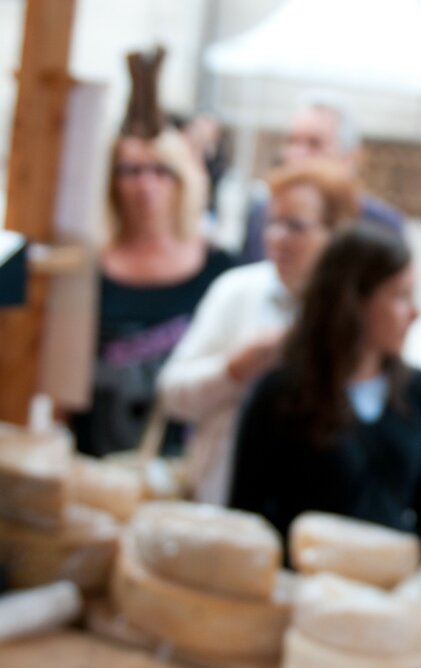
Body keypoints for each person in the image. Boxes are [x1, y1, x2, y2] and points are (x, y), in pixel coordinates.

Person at [229, 224, 421, 557]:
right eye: (401, 296)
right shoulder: (280, 393)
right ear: (354, 301)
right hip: (303, 592)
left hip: (392, 594)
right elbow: (245, 514)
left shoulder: (418, 391)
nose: (414, 314)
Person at [158, 161, 362, 505]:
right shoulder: (236, 292)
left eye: (295, 226)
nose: (277, 237)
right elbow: (172, 396)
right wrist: (234, 370)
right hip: (222, 501)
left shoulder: (357, 315)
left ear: (337, 234)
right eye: (272, 222)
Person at [69, 126, 233, 457]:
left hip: (185, 454)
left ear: (182, 180)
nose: (146, 184)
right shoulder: (87, 268)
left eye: (160, 170)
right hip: (95, 449)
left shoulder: (220, 270)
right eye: (131, 170)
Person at [238, 96, 404, 264]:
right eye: (292, 141)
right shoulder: (262, 214)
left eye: (314, 144)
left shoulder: (381, 227)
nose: (297, 154)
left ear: (349, 159)